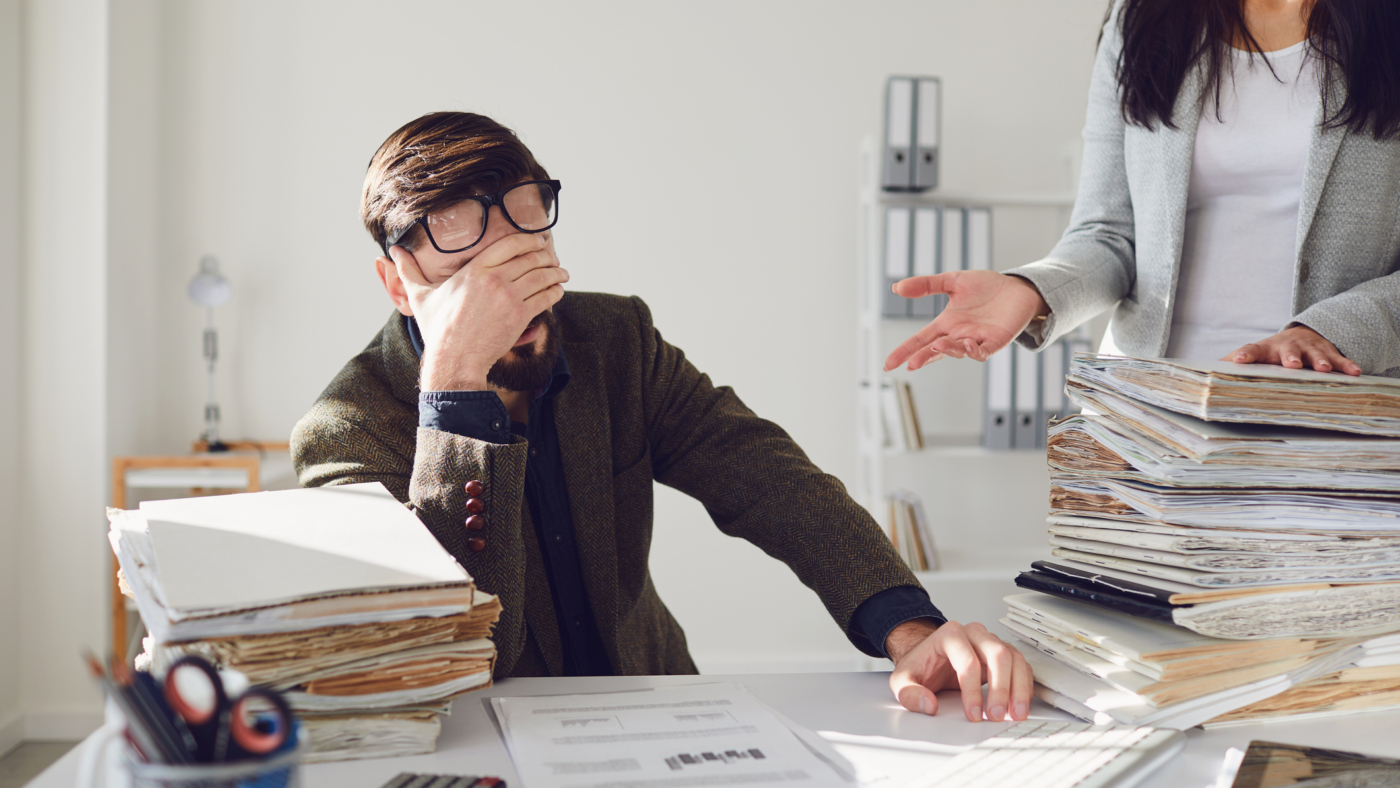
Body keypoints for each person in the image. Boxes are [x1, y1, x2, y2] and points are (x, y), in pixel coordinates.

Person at [291, 112, 1033, 722]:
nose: (515, 305)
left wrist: (909, 628)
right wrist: (456, 389)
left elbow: (767, 478)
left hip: (655, 708)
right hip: (481, 744)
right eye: (471, 285)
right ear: (397, 283)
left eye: (526, 257)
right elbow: (438, 649)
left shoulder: (617, 340)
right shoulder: (346, 429)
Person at [885, 0, 1400, 378]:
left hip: (1341, 419)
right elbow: (1108, 234)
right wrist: (1033, 290)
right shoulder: (1142, 21)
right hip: (1153, 419)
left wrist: (1331, 329)